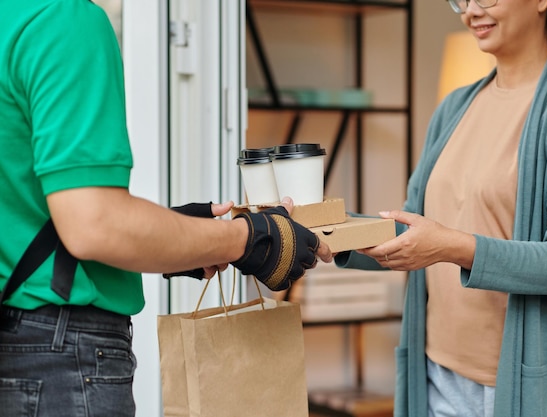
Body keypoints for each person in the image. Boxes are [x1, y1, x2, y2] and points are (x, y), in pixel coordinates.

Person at [0, 1, 331, 416]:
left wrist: (176, 233)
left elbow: (34, 214)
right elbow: (94, 224)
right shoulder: (63, 19)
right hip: (60, 356)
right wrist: (247, 238)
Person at [335, 0, 547, 416]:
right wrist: (327, 232)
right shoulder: (454, 108)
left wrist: (454, 247)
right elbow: (413, 235)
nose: (471, 11)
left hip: (518, 390)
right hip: (435, 379)